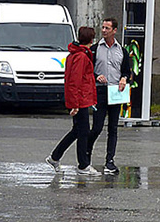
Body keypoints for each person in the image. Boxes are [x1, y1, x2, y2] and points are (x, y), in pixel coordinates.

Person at [88, 16, 136, 174]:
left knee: (113, 128)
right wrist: (97, 76)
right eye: (103, 27)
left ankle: (110, 160)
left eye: (107, 28)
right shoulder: (95, 49)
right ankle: (86, 158)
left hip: (116, 92)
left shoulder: (121, 50)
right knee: (97, 127)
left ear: (114, 30)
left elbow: (126, 71)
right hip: (100, 91)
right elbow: (88, 70)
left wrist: (124, 78)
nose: (104, 30)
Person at [49, 25, 99, 173]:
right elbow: (75, 81)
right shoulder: (81, 56)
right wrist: (75, 104)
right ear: (91, 39)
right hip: (81, 99)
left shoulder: (74, 54)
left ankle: (56, 157)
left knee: (78, 130)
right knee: (83, 132)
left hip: (79, 98)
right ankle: (82, 165)